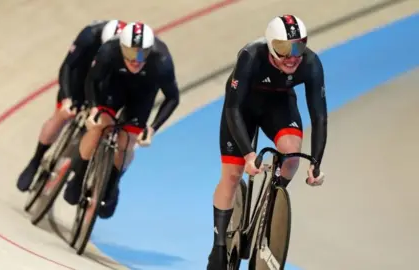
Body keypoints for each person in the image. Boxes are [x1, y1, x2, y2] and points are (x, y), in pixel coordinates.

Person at [207, 14, 327, 269]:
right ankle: (218, 245)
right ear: (271, 45)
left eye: (299, 46)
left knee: (291, 157)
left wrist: (316, 161)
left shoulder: (311, 63)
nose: (293, 56)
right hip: (243, 109)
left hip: (279, 106)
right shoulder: (251, 56)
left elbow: (319, 116)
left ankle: (268, 211)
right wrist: (250, 154)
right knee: (232, 174)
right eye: (284, 49)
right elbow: (233, 109)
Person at [62, 21, 180, 219]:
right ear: (121, 48)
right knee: (99, 126)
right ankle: (79, 174)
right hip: (113, 88)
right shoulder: (109, 51)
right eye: (131, 53)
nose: (136, 60)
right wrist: (93, 108)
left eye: (142, 54)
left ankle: (112, 183)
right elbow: (92, 80)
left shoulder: (162, 61)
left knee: (127, 143)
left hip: (142, 95)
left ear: (150, 51)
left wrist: (152, 128)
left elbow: (172, 98)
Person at [16, 19, 128, 192]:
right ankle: (36, 159)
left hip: (106, 82)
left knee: (102, 125)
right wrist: (68, 99)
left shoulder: (130, 50)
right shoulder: (89, 36)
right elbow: (67, 67)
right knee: (62, 115)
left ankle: (81, 170)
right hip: (81, 76)